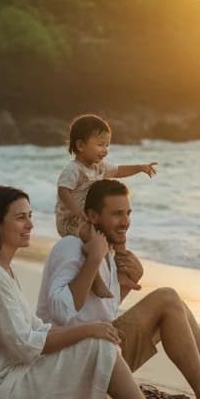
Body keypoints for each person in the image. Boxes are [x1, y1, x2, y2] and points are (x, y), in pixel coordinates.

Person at [0, 184, 187, 399]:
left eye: (30, 216)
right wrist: (88, 331)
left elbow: (35, 330)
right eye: (21, 218)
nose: (30, 224)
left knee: (99, 363)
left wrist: (93, 327)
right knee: (99, 345)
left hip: (1, 379)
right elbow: (23, 346)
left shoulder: (1, 271)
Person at [37, 178, 200, 399]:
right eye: (117, 214)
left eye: (128, 213)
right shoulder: (71, 247)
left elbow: (96, 312)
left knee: (177, 307)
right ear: (93, 216)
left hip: (98, 353)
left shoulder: (106, 252)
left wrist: (125, 283)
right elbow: (62, 312)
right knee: (167, 299)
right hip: (71, 365)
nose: (125, 222)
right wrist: (95, 259)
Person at [55, 113, 158, 300]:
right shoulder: (73, 169)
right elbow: (63, 191)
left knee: (119, 236)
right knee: (92, 238)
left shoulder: (99, 167)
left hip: (88, 217)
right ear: (80, 145)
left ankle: (122, 274)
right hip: (70, 220)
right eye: (100, 145)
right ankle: (97, 282)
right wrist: (76, 211)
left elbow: (119, 170)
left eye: (107, 145)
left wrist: (140, 167)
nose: (105, 150)